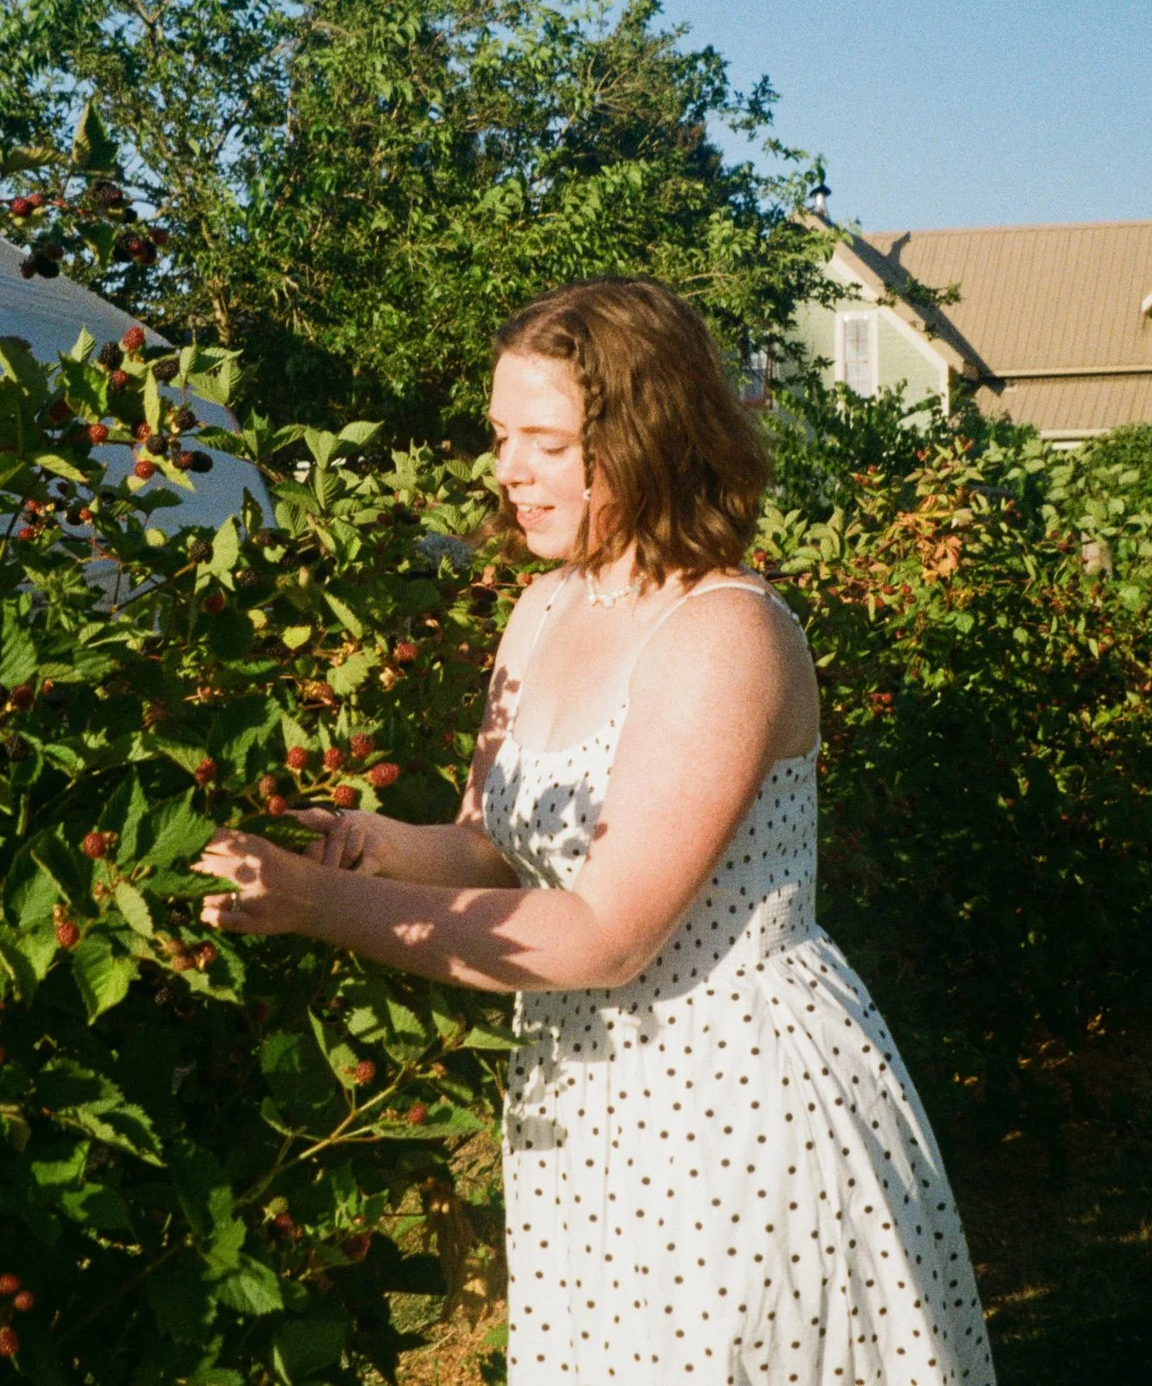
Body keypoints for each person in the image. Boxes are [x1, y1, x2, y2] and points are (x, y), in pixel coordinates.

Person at [194, 277, 994, 1383]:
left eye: (544, 439)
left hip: (728, 1103)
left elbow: (604, 929)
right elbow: (486, 840)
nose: (507, 468)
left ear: (646, 437)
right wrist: (360, 839)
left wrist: (316, 902)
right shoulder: (548, 605)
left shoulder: (725, 634)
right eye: (499, 435)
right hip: (583, 1087)